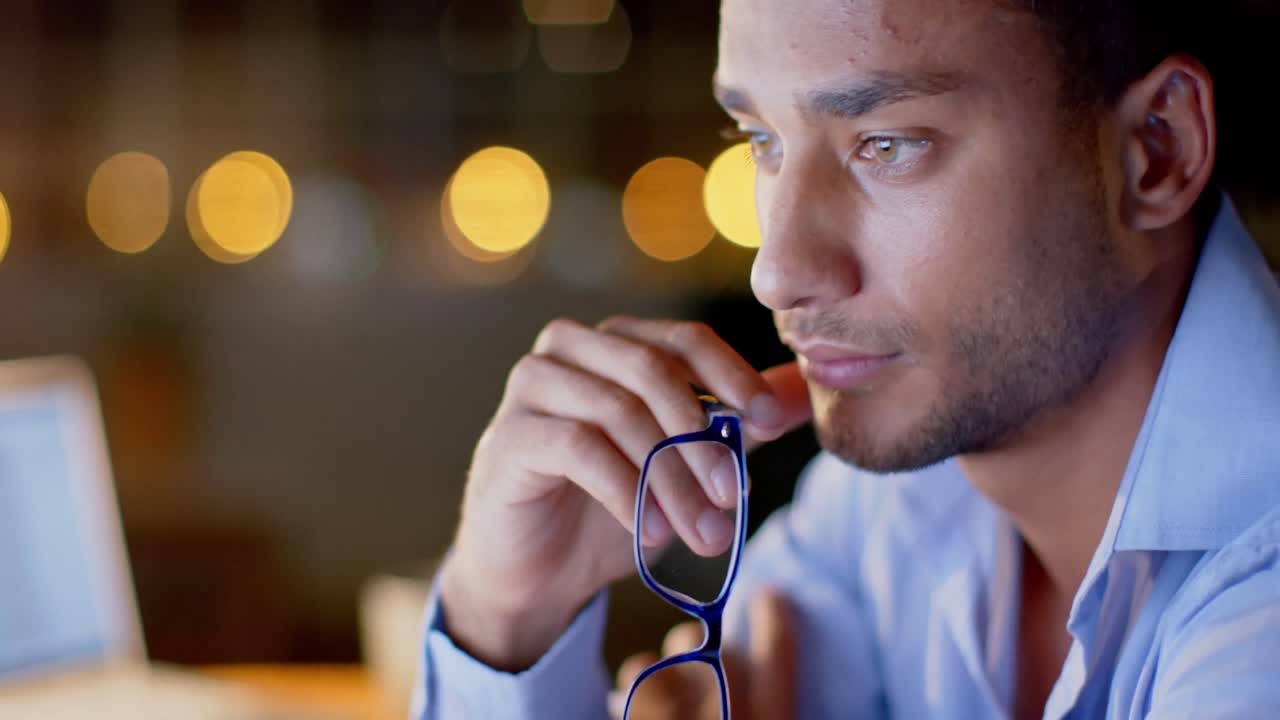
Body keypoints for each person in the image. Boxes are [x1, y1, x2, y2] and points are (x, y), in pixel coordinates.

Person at [414, 0, 1280, 717]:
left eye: (887, 143)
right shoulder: (886, 508)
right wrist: (508, 620)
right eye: (761, 142)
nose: (776, 272)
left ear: (1156, 150)